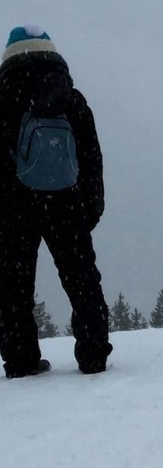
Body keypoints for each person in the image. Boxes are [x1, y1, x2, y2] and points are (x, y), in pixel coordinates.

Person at [0, 26, 110, 377]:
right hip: (66, 199)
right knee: (81, 278)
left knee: (13, 286)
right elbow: (91, 155)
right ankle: (93, 355)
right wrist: (91, 206)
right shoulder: (69, 97)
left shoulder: (3, 96)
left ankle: (21, 360)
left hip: (12, 205)